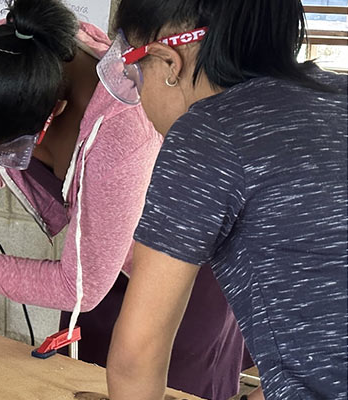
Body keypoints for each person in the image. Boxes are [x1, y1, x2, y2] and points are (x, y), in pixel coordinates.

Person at [0, 0, 249, 398]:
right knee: (77, 383)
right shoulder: (17, 49)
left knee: (163, 388)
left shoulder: (121, 137)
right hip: (102, 260)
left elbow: (78, 288)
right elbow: (1, 144)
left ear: (54, 112)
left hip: (180, 279)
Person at [102, 0, 348, 398]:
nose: (136, 90)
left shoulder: (206, 133)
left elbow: (136, 357)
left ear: (168, 63)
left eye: (134, 71)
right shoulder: (339, 95)